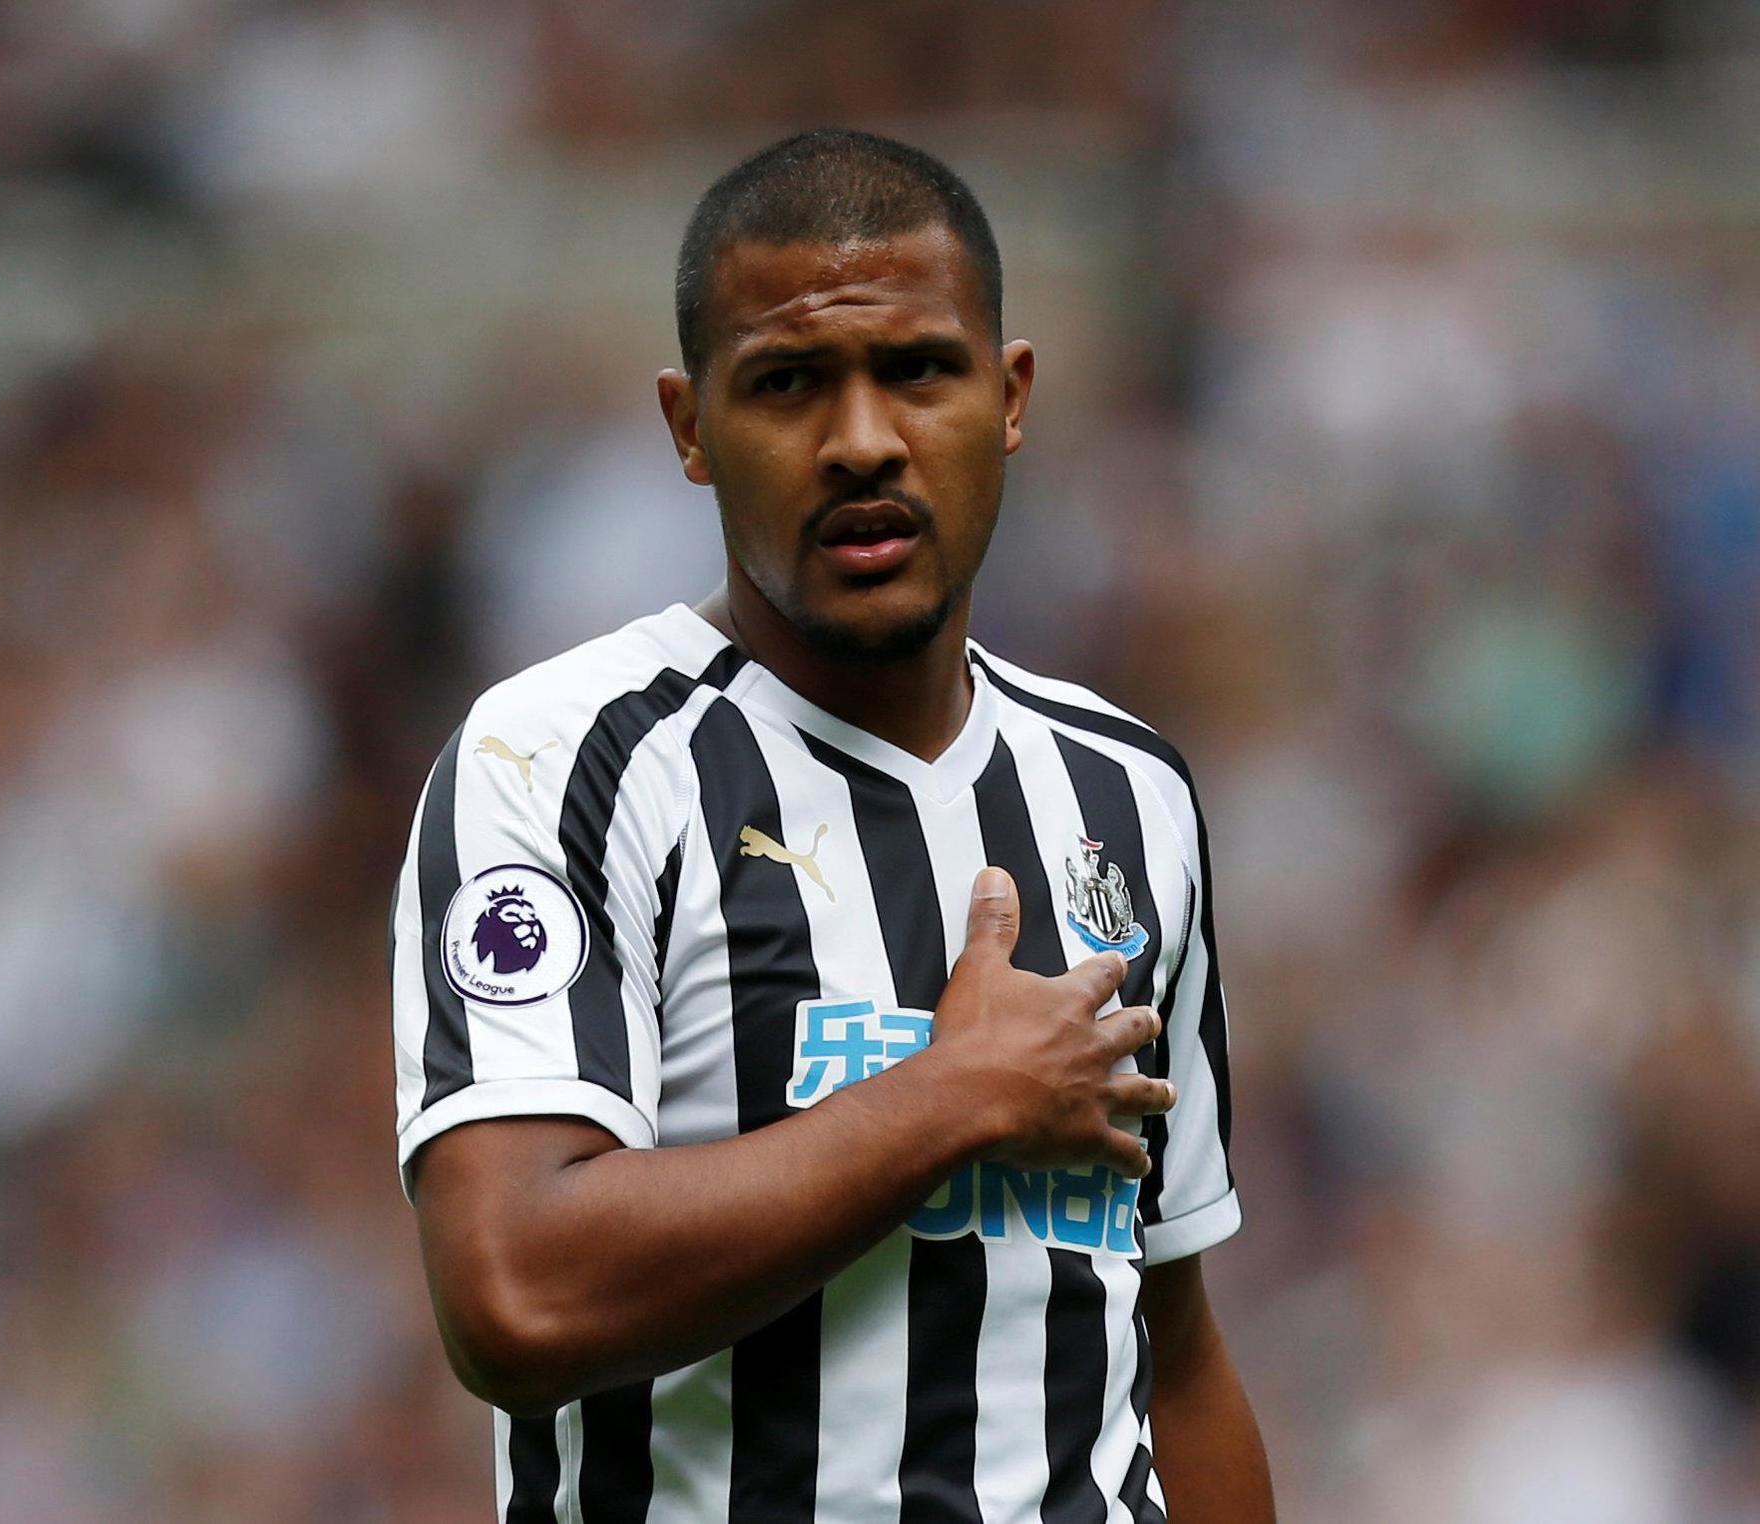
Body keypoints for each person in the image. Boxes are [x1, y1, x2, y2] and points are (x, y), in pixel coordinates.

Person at [390, 128, 1275, 1523]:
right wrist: (952, 1098)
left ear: (1010, 395)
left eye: (918, 370)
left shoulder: (1126, 791)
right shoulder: (565, 763)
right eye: (789, 382)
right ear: (691, 428)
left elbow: (1172, 1350)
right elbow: (514, 1295)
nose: (862, 441)